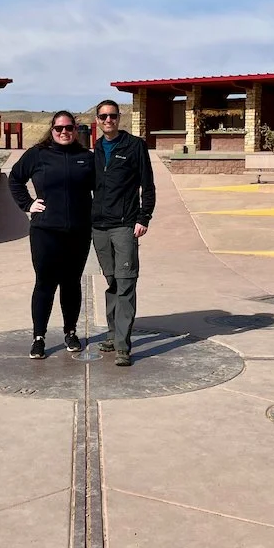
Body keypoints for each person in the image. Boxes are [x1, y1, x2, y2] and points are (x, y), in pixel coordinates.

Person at [8, 111, 95, 360]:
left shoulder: (86, 158)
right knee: (45, 284)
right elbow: (15, 179)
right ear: (52, 130)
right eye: (59, 129)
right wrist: (27, 204)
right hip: (45, 231)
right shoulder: (38, 154)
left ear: (75, 129)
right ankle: (39, 337)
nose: (64, 132)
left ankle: (70, 332)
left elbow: (101, 189)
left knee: (71, 283)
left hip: (78, 232)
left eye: (69, 128)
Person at [90, 100, 155, 368]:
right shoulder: (95, 148)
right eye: (103, 116)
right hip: (99, 227)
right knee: (112, 282)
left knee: (126, 282)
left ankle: (122, 346)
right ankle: (112, 334)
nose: (108, 120)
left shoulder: (135, 146)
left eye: (113, 116)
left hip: (125, 225)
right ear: (97, 119)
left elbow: (147, 186)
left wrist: (143, 217)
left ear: (119, 118)